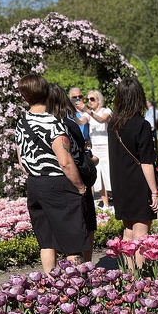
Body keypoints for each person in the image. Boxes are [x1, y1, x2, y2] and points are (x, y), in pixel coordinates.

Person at [14, 74, 90, 274]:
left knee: (47, 241)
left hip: (35, 184)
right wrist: (81, 187)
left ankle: (50, 284)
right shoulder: (53, 123)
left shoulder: (21, 123)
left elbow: (22, 161)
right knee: (73, 243)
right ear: (47, 92)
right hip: (59, 185)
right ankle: (76, 286)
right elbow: (65, 161)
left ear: (24, 96)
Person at [108, 77, 158, 269]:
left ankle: (128, 274)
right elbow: (146, 162)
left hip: (120, 183)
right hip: (138, 183)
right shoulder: (141, 125)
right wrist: (154, 192)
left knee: (128, 231)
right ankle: (139, 275)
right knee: (141, 234)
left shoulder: (113, 124)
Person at [46, 84, 97, 263]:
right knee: (84, 226)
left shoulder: (37, 126)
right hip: (74, 179)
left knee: (51, 233)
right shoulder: (68, 125)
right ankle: (86, 266)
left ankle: (52, 274)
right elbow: (77, 156)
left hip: (48, 183)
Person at [80, 90, 112, 210]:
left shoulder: (106, 111)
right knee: (99, 176)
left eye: (92, 99)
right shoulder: (88, 114)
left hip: (106, 146)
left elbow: (102, 120)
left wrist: (87, 111)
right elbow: (80, 121)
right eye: (88, 99)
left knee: (109, 174)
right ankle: (106, 204)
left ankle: (117, 202)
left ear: (99, 100)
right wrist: (72, 113)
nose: (89, 101)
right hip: (95, 147)